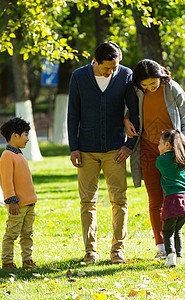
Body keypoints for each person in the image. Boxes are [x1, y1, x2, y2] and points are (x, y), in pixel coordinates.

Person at [67, 42, 138, 264]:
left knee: (119, 200)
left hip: (116, 149)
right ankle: (91, 251)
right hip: (86, 150)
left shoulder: (125, 74)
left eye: (116, 66)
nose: (112, 71)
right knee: (87, 201)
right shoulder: (79, 77)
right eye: (108, 68)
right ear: (95, 61)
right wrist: (73, 147)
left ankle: (118, 250)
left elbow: (134, 110)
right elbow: (72, 113)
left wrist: (130, 144)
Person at [124, 59, 185, 260]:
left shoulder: (173, 90)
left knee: (171, 197)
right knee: (155, 199)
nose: (149, 88)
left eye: (152, 83)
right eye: (145, 85)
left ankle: (174, 243)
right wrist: (126, 120)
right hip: (147, 149)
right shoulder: (138, 91)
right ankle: (161, 246)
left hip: (172, 153)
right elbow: (130, 112)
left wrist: (182, 147)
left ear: (160, 76)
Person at [155, 129, 185, 267]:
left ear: (168, 145)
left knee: (168, 230)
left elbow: (162, 166)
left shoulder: (161, 160)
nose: (158, 146)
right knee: (178, 230)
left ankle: (171, 257)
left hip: (172, 200)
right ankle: (180, 256)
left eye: (160, 143)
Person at [0, 117, 38, 270]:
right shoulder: (7, 156)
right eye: (25, 135)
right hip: (18, 205)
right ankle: (7, 262)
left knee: (27, 234)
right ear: (15, 135)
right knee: (11, 234)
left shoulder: (19, 155)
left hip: (28, 204)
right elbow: (6, 181)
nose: (27, 139)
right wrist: (11, 201)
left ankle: (27, 260)